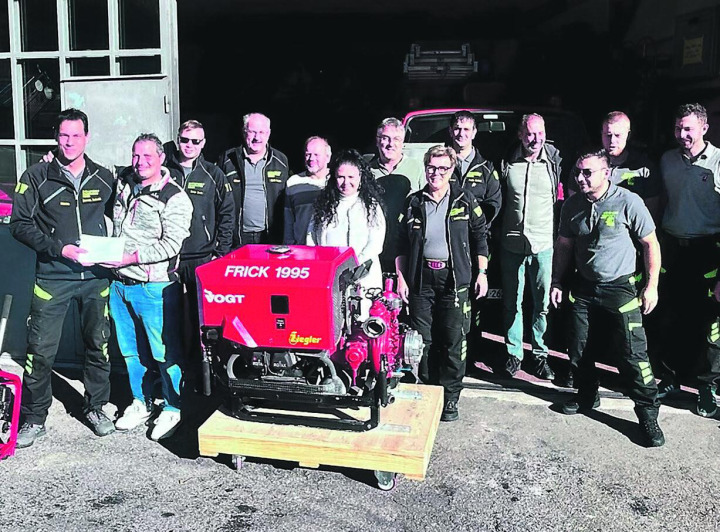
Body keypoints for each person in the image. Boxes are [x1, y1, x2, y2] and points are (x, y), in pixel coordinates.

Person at [9, 108, 116, 448]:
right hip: (53, 276)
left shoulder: (104, 177)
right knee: (39, 351)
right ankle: (34, 417)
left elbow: (126, 211)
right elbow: (19, 224)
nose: (69, 142)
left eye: (76, 135)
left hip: (96, 277)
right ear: (56, 137)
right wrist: (58, 248)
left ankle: (96, 407)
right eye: (64, 135)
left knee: (97, 347)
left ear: (87, 137)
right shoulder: (36, 175)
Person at [551, 149, 665, 447]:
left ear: (607, 173)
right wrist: (557, 281)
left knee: (632, 354)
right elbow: (564, 246)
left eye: (587, 172)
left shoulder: (629, 202)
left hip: (621, 288)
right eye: (578, 171)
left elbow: (650, 243)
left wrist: (651, 285)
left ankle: (647, 415)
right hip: (584, 288)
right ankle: (587, 395)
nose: (580, 177)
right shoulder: (572, 205)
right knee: (578, 346)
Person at [396, 145, 489, 422]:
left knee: (452, 341)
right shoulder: (413, 202)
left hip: (453, 280)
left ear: (452, 171)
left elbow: (480, 237)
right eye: (431, 168)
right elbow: (401, 244)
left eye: (442, 168)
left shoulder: (465, 199)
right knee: (420, 341)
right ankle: (423, 389)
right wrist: (402, 278)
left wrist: (481, 273)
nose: (435, 173)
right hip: (421, 280)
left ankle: (449, 398)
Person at [109, 133, 193, 441]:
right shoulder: (123, 184)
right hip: (119, 284)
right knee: (131, 352)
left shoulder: (174, 197)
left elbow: (172, 244)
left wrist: (133, 257)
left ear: (161, 159)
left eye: (147, 157)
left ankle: (172, 406)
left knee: (164, 352)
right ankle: (140, 402)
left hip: (153, 286)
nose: (140, 162)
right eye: (135, 155)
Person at [656, 103, 720, 409]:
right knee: (671, 318)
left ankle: (707, 387)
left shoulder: (719, 162)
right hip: (672, 247)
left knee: (709, 323)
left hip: (707, 250)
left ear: (704, 128)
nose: (682, 134)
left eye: (689, 129)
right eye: (678, 128)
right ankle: (670, 379)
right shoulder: (668, 160)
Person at [163, 120, 235, 382]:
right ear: (178, 139)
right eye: (185, 140)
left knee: (201, 317)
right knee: (167, 317)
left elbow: (228, 214)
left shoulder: (213, 173)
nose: (189, 145)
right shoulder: (162, 171)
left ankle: (202, 372)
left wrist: (220, 252)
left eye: (195, 141)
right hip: (168, 257)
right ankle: (173, 370)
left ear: (203, 144)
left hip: (202, 257)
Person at [499, 113, 562, 381]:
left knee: (542, 304)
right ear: (520, 135)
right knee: (512, 302)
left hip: (544, 245)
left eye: (539, 133)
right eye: (529, 134)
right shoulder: (506, 162)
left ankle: (540, 354)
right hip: (512, 244)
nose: (535, 139)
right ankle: (514, 353)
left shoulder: (556, 161)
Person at [307, 149, 386, 312]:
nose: (346, 182)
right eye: (341, 177)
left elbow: (376, 242)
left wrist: (355, 265)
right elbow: (311, 237)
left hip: (364, 278)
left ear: (360, 178)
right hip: (329, 276)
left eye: (351, 177)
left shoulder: (370, 206)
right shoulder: (323, 206)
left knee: (361, 323)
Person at [217, 112, 289, 246]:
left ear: (268, 133)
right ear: (244, 133)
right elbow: (218, 199)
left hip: (270, 237)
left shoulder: (280, 161)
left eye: (262, 132)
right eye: (253, 132)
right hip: (236, 238)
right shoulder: (228, 159)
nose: (257, 138)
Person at [366, 118, 425, 272]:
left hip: (408, 246)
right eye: (385, 138)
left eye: (396, 139)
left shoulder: (418, 168)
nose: (391, 144)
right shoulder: (365, 171)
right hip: (376, 247)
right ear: (377, 141)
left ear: (403, 142)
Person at [600, 111, 661, 221]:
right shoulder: (588, 165)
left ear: (628, 135)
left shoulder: (643, 169)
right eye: (608, 135)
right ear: (601, 134)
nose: (612, 141)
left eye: (617, 135)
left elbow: (650, 212)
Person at [448, 110, 502, 223]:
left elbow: (493, 204)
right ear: (451, 131)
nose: (461, 134)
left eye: (466, 129)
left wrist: (477, 226)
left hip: (476, 235)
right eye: (457, 128)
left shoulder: (487, 169)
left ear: (474, 133)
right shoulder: (440, 165)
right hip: (447, 234)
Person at [284, 136, 331, 245]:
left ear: (328, 157)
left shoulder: (338, 181)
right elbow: (288, 221)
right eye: (308, 154)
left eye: (316, 155)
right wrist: (288, 247)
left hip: (330, 251)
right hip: (301, 251)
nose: (311, 159)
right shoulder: (293, 182)